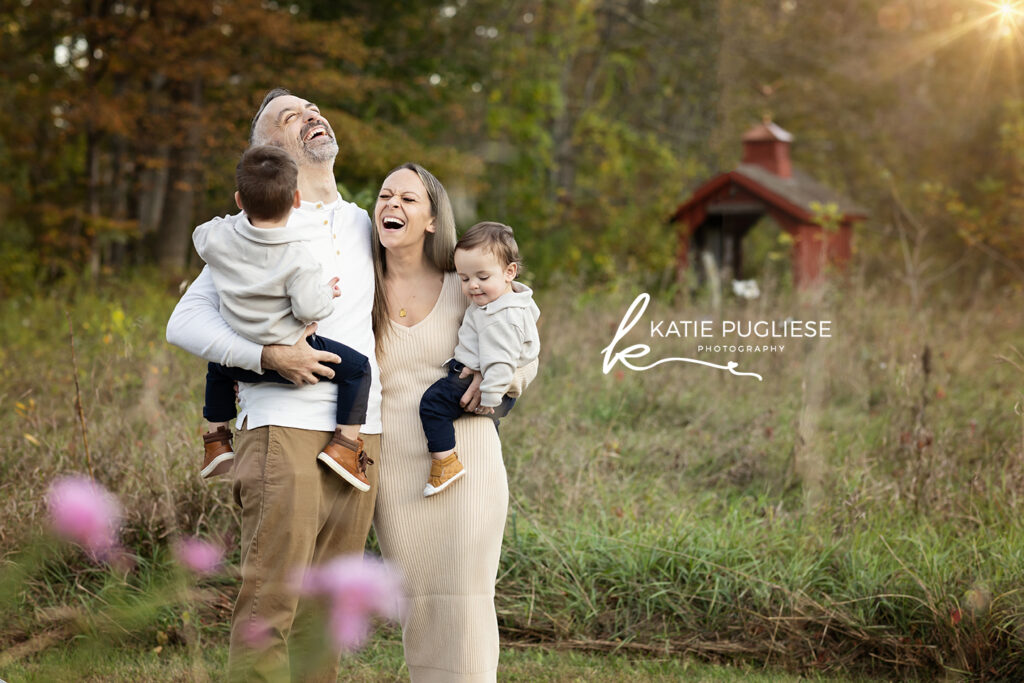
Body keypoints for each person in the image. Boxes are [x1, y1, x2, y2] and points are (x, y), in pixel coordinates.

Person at [166, 88, 381, 682]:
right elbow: (183, 322)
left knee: (327, 618)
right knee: (270, 608)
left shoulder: (364, 221)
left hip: (363, 434)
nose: (310, 114)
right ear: (267, 150)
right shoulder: (251, 228)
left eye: (312, 107)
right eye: (290, 116)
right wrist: (267, 355)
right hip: (283, 431)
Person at [370, 163, 538, 682]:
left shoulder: (466, 283)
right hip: (395, 469)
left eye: (408, 199)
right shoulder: (359, 286)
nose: (392, 205)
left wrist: (504, 386)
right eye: (384, 195)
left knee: (464, 598)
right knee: (418, 598)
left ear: (431, 220)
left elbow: (523, 349)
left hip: (465, 457)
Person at [195, 144, 373, 492]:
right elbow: (310, 309)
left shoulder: (218, 239)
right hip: (296, 354)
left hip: (245, 357)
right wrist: (327, 293)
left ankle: (216, 438)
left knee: (216, 367)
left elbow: (201, 234)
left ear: (238, 200)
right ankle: (346, 447)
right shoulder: (297, 255)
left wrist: (236, 220)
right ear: (295, 200)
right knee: (359, 369)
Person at [418, 221, 540, 497]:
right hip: (492, 386)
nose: (473, 286)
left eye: (482, 277)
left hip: (485, 386)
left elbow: (501, 363)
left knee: (433, 404)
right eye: (464, 278)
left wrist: (489, 398)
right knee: (489, 431)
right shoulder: (510, 301)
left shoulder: (500, 317)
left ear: (510, 272)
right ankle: (487, 466)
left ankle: (445, 463)